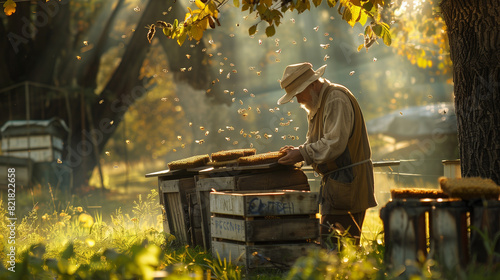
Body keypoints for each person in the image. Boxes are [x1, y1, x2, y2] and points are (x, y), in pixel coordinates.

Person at [276, 62, 377, 248]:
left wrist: (302, 153)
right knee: (335, 247)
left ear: (312, 84)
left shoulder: (335, 99)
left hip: (349, 183)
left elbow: (334, 143)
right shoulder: (317, 102)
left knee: (334, 247)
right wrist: (299, 150)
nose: (298, 100)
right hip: (337, 184)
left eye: (298, 93)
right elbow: (316, 140)